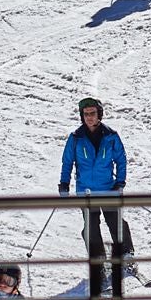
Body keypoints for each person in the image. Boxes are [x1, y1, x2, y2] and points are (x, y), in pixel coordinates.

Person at [59, 97, 134, 287]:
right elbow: (67, 162)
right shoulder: (76, 138)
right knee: (91, 227)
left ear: (99, 114)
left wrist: (120, 182)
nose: (89, 117)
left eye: (92, 113)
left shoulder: (111, 136)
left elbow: (121, 160)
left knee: (115, 222)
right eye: (86, 114)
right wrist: (64, 184)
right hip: (86, 192)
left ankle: (126, 253)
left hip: (108, 188)